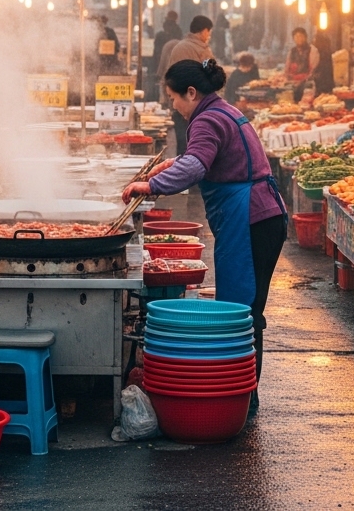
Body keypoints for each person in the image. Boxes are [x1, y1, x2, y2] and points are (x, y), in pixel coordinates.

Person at [123, 59, 287, 414]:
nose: (173, 106)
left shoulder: (207, 119)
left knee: (242, 311)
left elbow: (197, 165)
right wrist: (172, 164)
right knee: (244, 307)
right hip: (259, 215)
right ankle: (243, 395)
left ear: (191, 92)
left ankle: (243, 400)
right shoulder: (221, 111)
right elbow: (205, 156)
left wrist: (151, 185)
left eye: (173, 98)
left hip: (251, 218)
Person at [159, 16, 214, 154]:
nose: (209, 36)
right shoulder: (200, 49)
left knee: (184, 142)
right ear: (204, 31)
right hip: (194, 104)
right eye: (209, 32)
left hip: (181, 103)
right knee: (193, 144)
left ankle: (182, 165)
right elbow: (209, 75)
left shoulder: (181, 47)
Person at [284, 28, 320, 100]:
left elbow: (313, 69)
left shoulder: (312, 50)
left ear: (305, 37)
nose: (299, 39)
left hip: (307, 84)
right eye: (296, 37)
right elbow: (287, 69)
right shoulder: (292, 51)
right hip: (292, 84)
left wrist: (302, 81)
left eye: (301, 36)